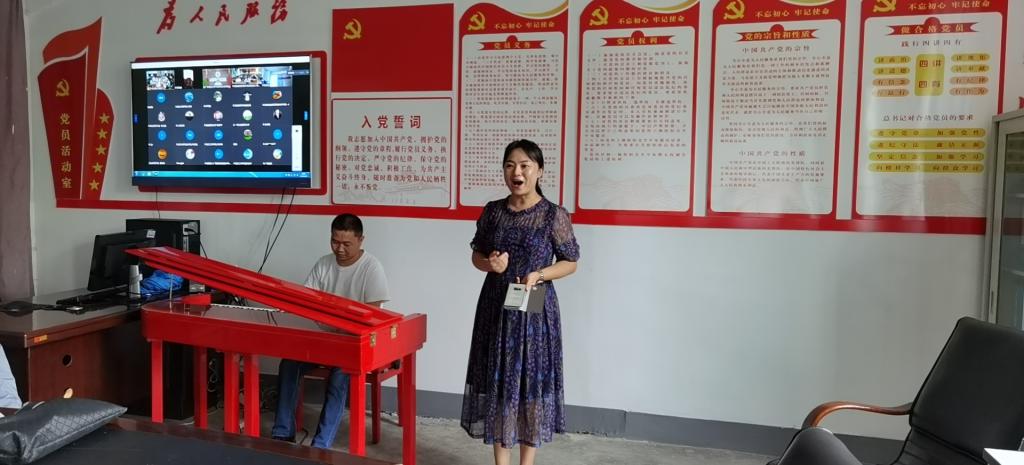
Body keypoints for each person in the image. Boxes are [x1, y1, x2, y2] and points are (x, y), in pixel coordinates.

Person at [461, 139, 580, 465]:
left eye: (525, 165)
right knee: (500, 386)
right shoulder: (493, 212)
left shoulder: (553, 215)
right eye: (510, 165)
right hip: (495, 308)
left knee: (530, 388)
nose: (517, 172)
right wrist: (490, 264)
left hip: (534, 311)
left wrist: (539, 274)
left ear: (539, 171)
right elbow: (477, 255)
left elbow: (570, 262)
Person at [271, 213, 389, 448]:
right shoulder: (324, 263)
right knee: (289, 365)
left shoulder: (371, 267)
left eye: (347, 244)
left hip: (354, 344)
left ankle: (321, 445)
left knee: (339, 377)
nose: (340, 249)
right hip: (323, 340)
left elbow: (374, 314)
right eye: (335, 242)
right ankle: (282, 434)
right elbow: (306, 302)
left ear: (361, 240)